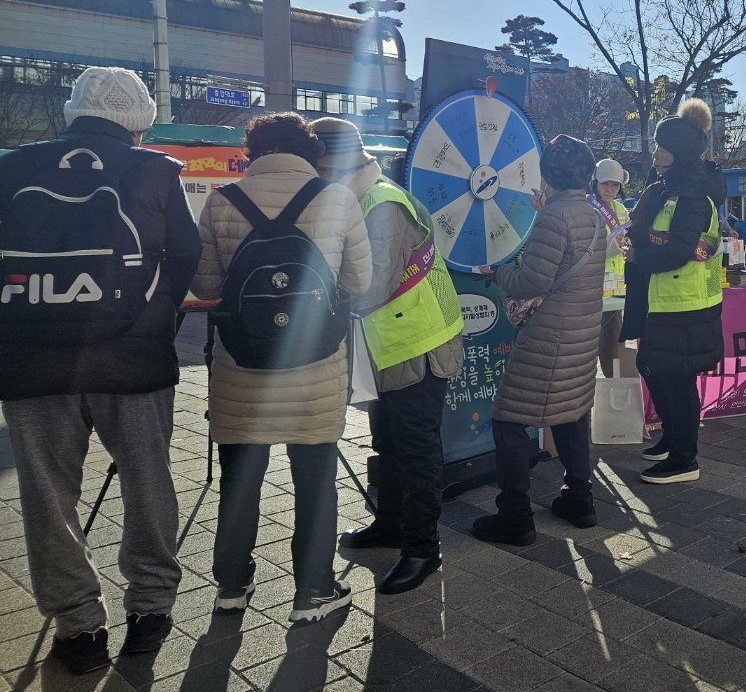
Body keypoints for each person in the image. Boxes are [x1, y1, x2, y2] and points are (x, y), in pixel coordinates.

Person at [0, 68, 200, 673]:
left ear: (71, 112)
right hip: (132, 361)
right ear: (138, 124)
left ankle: (79, 627)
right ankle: (151, 608)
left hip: (31, 362)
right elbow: (183, 253)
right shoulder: (156, 171)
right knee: (147, 481)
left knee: (48, 496)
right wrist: (156, 319)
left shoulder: (10, 167)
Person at [192, 112, 371, 622]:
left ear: (253, 153)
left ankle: (231, 586)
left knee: (239, 481)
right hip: (315, 368)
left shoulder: (222, 201)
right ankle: (313, 590)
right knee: (314, 480)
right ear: (308, 152)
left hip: (241, 369)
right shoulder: (337, 199)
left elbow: (205, 289)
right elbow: (359, 280)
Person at [311, 118, 464, 595]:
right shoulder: (357, 197)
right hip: (386, 344)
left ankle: (423, 548)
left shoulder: (381, 203)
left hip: (419, 344)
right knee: (389, 441)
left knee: (417, 448)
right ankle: (391, 524)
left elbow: (369, 284)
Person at [472, 136, 605, 545]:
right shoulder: (592, 213)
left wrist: (496, 273)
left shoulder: (553, 218)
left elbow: (532, 281)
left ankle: (515, 516)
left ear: (547, 175)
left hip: (549, 339)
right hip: (581, 337)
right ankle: (579, 500)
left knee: (508, 419)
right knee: (572, 412)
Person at [621, 99, 725, 484]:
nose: (655, 153)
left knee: (677, 379)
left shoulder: (693, 194)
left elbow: (680, 252)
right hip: (661, 300)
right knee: (652, 366)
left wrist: (639, 256)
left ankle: (685, 459)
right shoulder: (667, 187)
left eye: (662, 148)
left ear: (679, 153)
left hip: (684, 305)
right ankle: (673, 439)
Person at [590, 158, 631, 374]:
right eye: (605, 184)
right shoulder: (588, 207)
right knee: (587, 342)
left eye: (615, 185)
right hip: (591, 284)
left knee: (612, 341)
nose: (610, 189)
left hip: (615, 286)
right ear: (595, 183)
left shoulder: (622, 210)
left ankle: (613, 382)